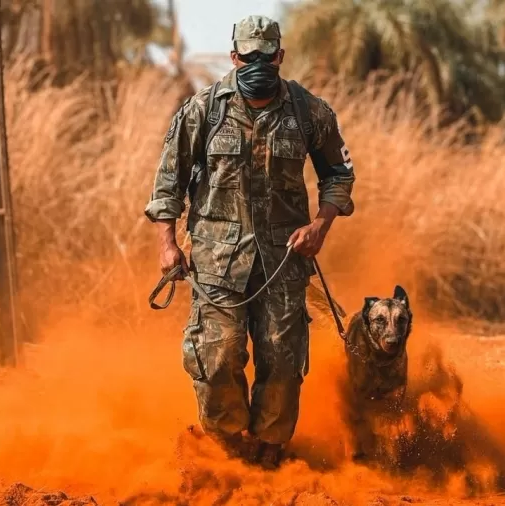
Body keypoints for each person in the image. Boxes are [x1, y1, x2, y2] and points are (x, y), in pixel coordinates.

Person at [143, 14, 356, 470]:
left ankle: (270, 455)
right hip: (217, 261)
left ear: (280, 56)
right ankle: (226, 448)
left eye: (267, 55)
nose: (258, 61)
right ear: (234, 55)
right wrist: (167, 243)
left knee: (281, 363)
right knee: (217, 357)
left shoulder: (308, 112)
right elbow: (168, 182)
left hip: (284, 261)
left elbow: (338, 173)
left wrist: (321, 225)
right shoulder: (203, 109)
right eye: (250, 55)